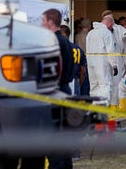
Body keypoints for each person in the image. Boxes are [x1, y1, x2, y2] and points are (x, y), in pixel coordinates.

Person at [41, 9, 75, 169]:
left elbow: (53, 69)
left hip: (55, 92)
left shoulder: (54, 41)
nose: (41, 24)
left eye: (43, 21)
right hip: (64, 91)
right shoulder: (65, 41)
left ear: (50, 22)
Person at [85, 12, 119, 104]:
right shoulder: (106, 33)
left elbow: (87, 49)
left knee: (94, 86)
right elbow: (110, 51)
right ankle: (102, 109)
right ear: (109, 23)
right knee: (105, 85)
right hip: (102, 64)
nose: (112, 27)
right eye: (112, 25)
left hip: (91, 63)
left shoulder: (90, 33)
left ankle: (94, 108)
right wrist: (114, 66)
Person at [60, 24, 88, 96]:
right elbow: (83, 71)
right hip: (75, 81)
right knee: (75, 105)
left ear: (65, 35)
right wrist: (79, 83)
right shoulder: (78, 49)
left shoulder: (59, 47)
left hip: (62, 82)